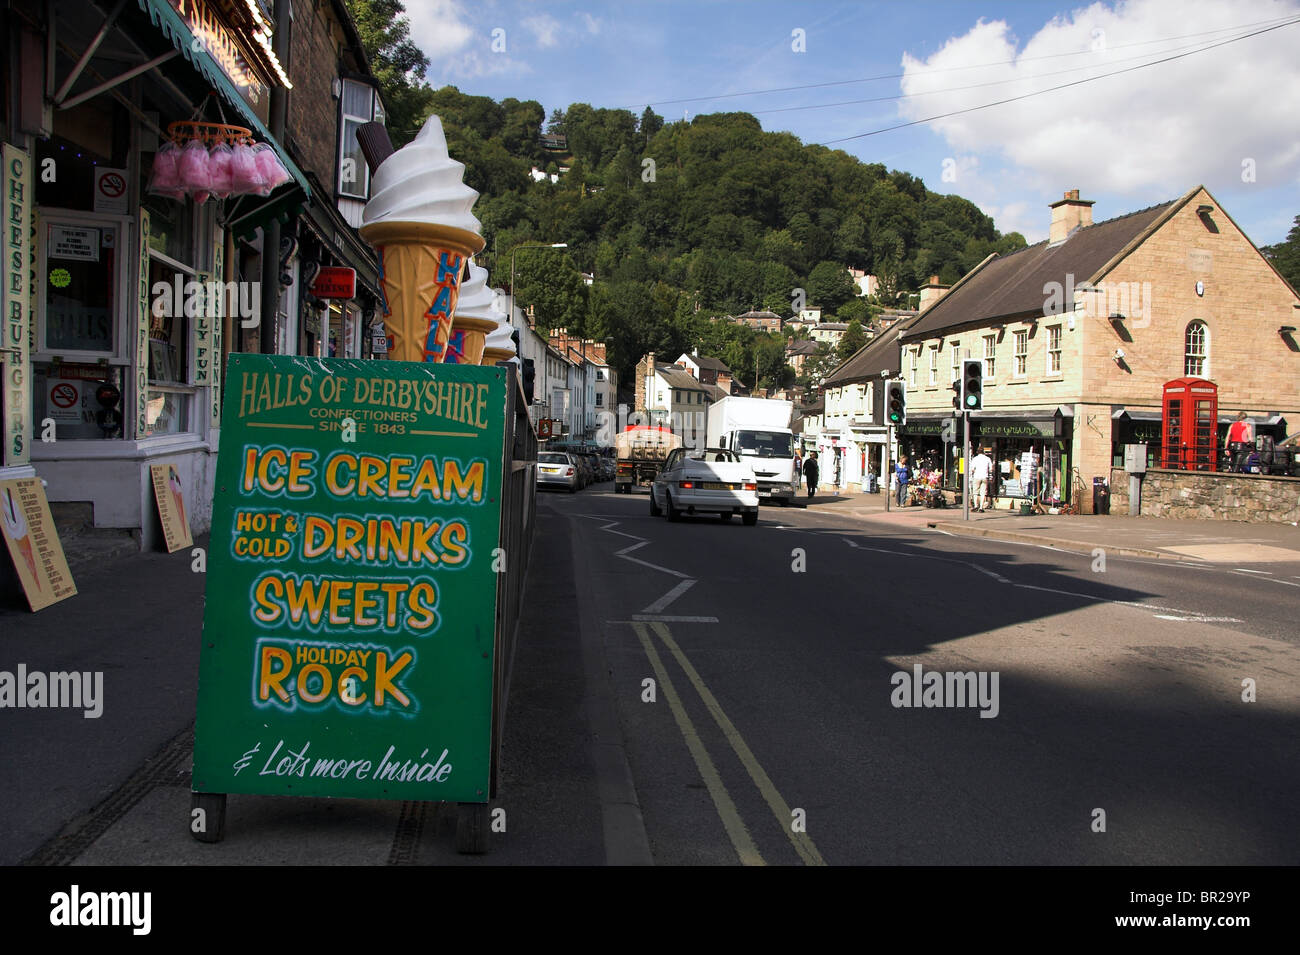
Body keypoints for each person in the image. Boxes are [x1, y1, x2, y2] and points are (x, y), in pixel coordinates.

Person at [970, 447, 994, 511]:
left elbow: (972, 469)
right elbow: (991, 469)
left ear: (977, 452)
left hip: (976, 476)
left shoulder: (975, 459)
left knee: (975, 492)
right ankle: (981, 507)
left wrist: (974, 472)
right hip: (984, 476)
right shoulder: (987, 459)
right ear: (983, 452)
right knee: (983, 493)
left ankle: (975, 506)